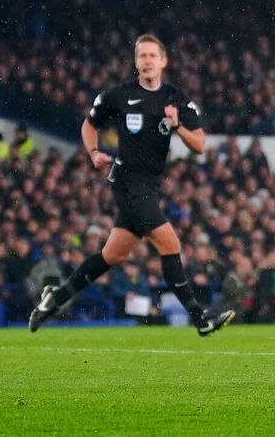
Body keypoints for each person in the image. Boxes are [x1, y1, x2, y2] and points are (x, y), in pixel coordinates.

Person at [28, 34, 234, 336]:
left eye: (152, 56)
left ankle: (54, 298)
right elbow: (89, 124)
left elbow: (199, 145)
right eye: (142, 56)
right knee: (170, 244)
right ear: (136, 62)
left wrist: (177, 126)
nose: (147, 61)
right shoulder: (118, 96)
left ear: (164, 61)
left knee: (113, 256)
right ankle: (200, 318)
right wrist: (94, 152)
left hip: (150, 185)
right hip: (127, 182)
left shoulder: (176, 99)